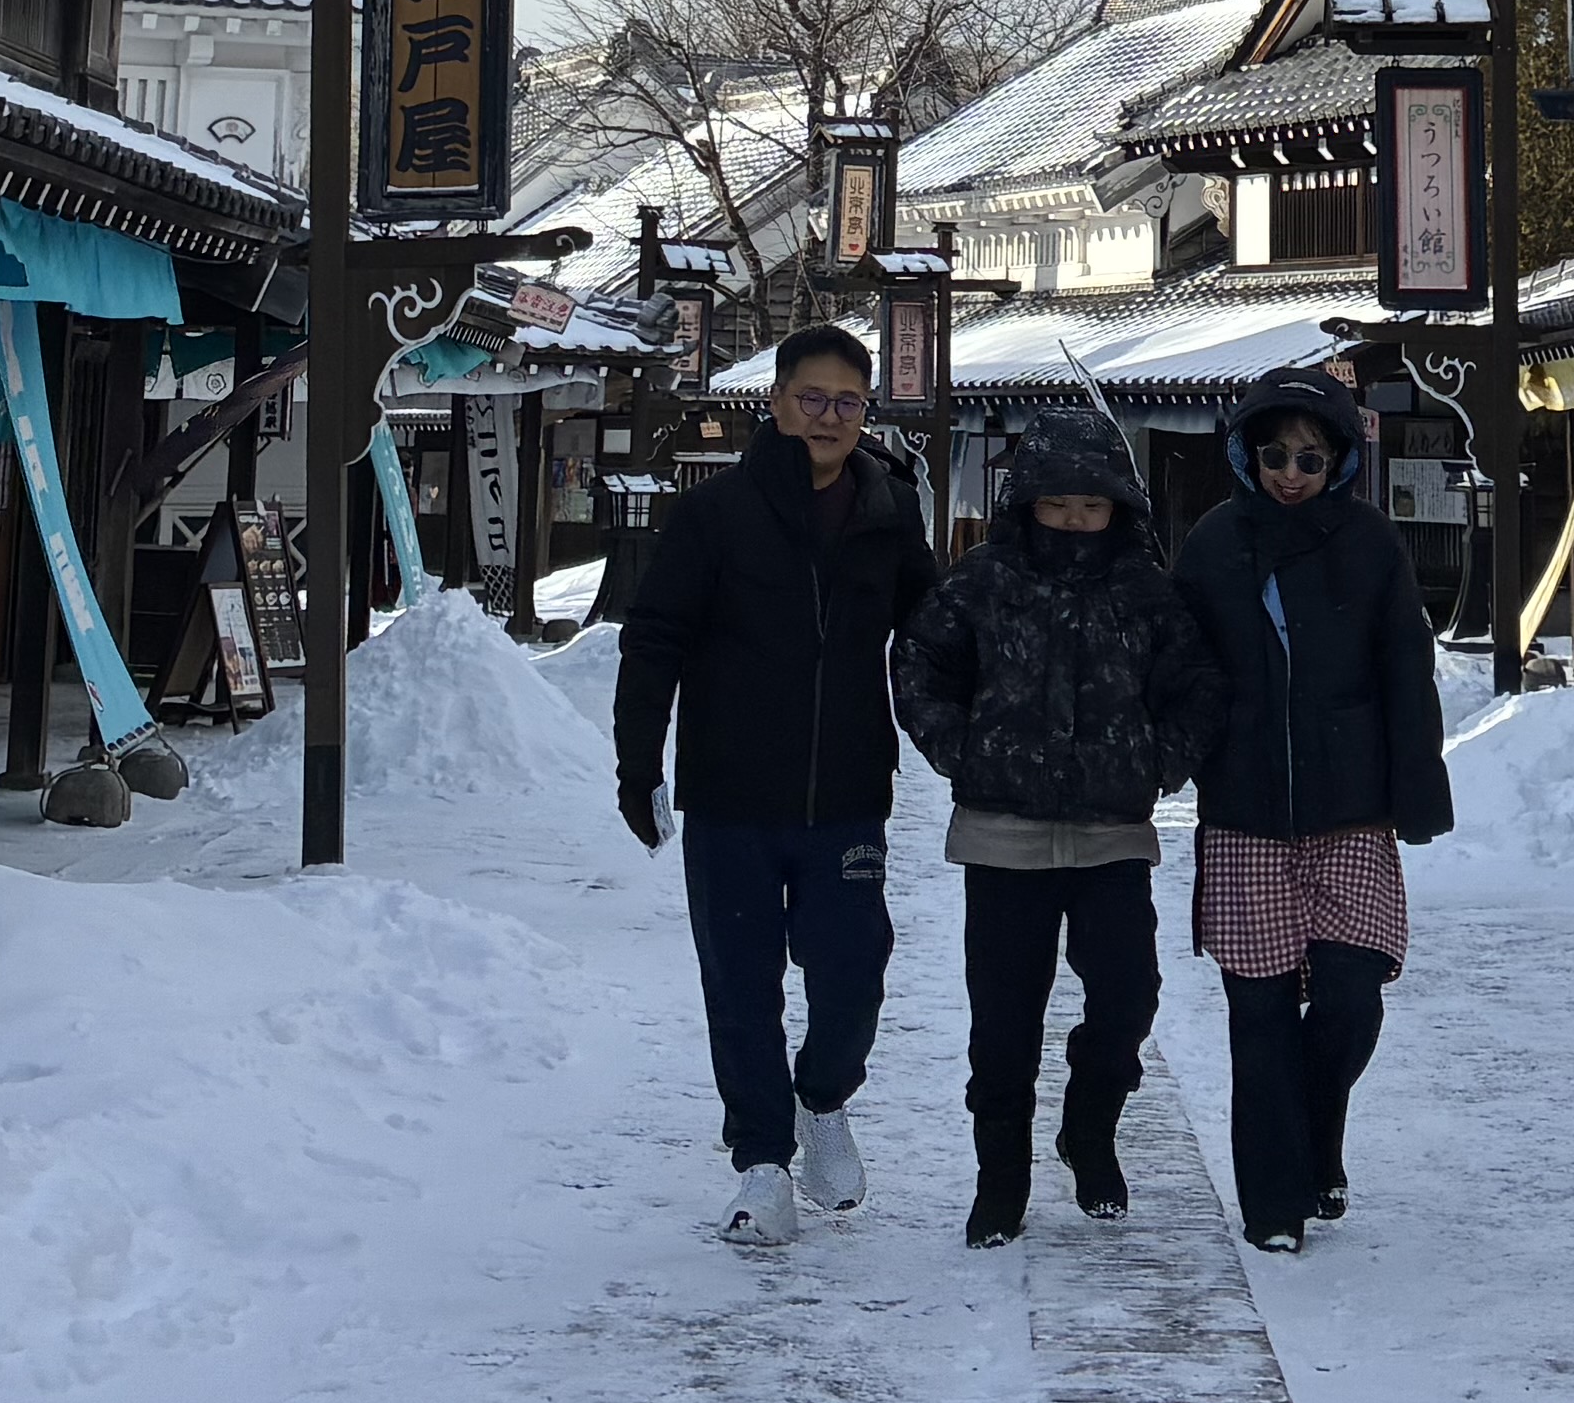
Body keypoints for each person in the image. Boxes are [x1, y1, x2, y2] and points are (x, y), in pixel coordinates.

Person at [616, 325, 938, 1247]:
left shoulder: (887, 514)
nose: (828, 418)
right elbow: (656, 639)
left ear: (865, 411)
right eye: (812, 398)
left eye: (847, 402)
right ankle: (762, 1162)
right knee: (741, 985)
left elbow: (934, 633)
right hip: (729, 794)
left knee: (853, 973)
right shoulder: (716, 514)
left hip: (845, 792)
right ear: (777, 400)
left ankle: (824, 1097)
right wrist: (638, 764)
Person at [894, 422, 1221, 1246]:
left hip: (1112, 832)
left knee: (1126, 998)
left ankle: (1091, 1128)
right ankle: (999, 1177)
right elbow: (919, 661)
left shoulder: (1149, 589)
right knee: (1002, 1023)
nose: (1074, 519)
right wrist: (964, 749)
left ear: (1119, 509)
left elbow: (1198, 685)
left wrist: (1159, 760)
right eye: (1057, 503)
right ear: (1026, 503)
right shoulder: (983, 578)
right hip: (1002, 834)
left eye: (1091, 505)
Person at [1171, 366, 1453, 1252]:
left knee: (1349, 1001)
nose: (1291, 471)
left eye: (1309, 455)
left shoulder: (1371, 544)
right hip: (1245, 810)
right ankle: (1272, 1203)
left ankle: (1316, 1136)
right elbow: (1177, 668)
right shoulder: (1213, 544)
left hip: (1350, 808)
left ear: (1338, 460)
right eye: (1275, 454)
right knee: (1256, 1019)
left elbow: (1406, 668)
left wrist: (1417, 791)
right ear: (1246, 455)